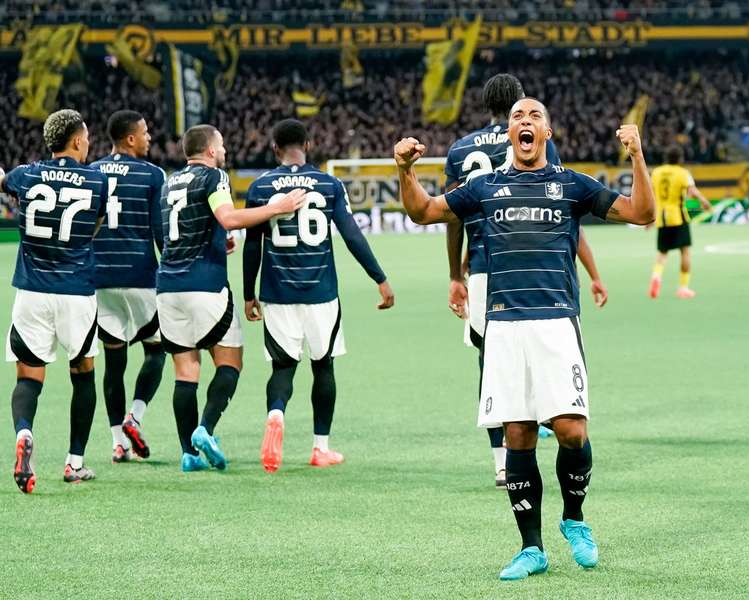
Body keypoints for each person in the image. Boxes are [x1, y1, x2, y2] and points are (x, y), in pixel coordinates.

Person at [394, 98, 654, 580]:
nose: (526, 122)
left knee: (572, 429)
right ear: (509, 133)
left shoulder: (571, 185)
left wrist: (637, 156)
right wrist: (405, 171)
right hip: (504, 324)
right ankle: (531, 548)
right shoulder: (484, 187)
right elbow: (424, 212)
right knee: (518, 433)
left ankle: (574, 519)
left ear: (548, 133)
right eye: (518, 117)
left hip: (556, 322)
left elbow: (641, 212)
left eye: (535, 117)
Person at [444, 74, 608, 489]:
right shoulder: (537, 139)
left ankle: (501, 459)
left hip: (483, 268)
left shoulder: (461, 149)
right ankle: (544, 416)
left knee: (492, 366)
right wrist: (593, 273)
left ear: (485, 104)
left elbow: (452, 216)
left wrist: (455, 274)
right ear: (517, 106)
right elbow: (560, 212)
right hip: (531, 268)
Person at [243, 119, 395, 473]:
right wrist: (380, 278)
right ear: (308, 145)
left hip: (277, 292)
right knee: (323, 365)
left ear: (275, 149)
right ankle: (320, 448)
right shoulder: (328, 183)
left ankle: (276, 413)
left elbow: (253, 244)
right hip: (321, 292)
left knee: (282, 367)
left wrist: (249, 293)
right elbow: (351, 235)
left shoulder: (261, 187)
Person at [156, 124, 306, 472]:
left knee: (185, 370)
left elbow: (179, 230)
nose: (224, 150)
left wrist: (215, 240)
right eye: (220, 144)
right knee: (229, 363)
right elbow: (228, 216)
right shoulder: (214, 177)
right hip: (205, 285)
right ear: (209, 150)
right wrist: (276, 208)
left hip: (168, 287)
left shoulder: (169, 183)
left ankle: (188, 455)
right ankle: (205, 429)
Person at [1, 109, 108, 492]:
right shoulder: (97, 179)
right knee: (83, 374)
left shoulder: (26, 174)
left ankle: (24, 432)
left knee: (29, 377)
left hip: (31, 292)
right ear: (77, 140)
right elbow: (94, 226)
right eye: (87, 136)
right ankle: (73, 463)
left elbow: (3, 182)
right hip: (76, 293)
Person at [90, 110, 166, 463]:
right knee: (156, 349)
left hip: (100, 279)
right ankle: (134, 416)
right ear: (131, 138)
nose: (150, 137)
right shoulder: (153, 175)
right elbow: (159, 231)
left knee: (114, 363)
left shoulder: (91, 172)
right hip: (139, 276)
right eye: (146, 132)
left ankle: (118, 442)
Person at [648, 146, 711, 300]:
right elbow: (693, 191)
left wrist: (649, 217)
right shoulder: (683, 173)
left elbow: (651, 194)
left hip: (662, 218)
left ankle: (656, 276)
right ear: (680, 159)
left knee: (662, 253)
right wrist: (704, 202)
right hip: (678, 217)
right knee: (685, 251)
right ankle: (683, 287)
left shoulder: (656, 172)